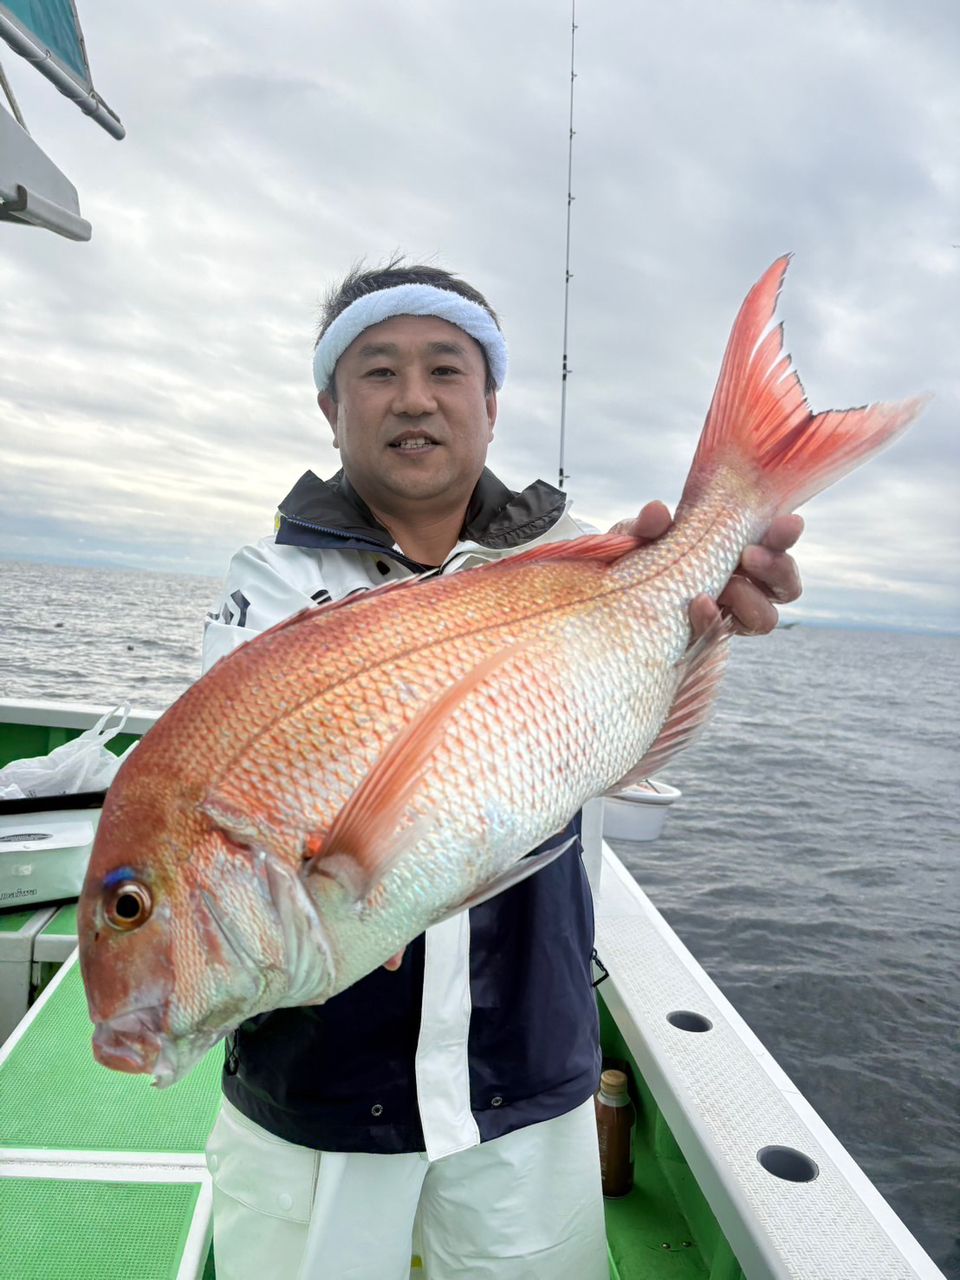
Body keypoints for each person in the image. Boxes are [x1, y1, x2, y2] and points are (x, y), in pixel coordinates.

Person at [201, 259, 803, 1280]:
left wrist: (706, 614)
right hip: (316, 1095)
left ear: (491, 402)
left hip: (526, 1074)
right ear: (329, 404)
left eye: (447, 366)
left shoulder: (585, 561)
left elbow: (624, 746)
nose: (415, 396)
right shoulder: (271, 587)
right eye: (377, 369)